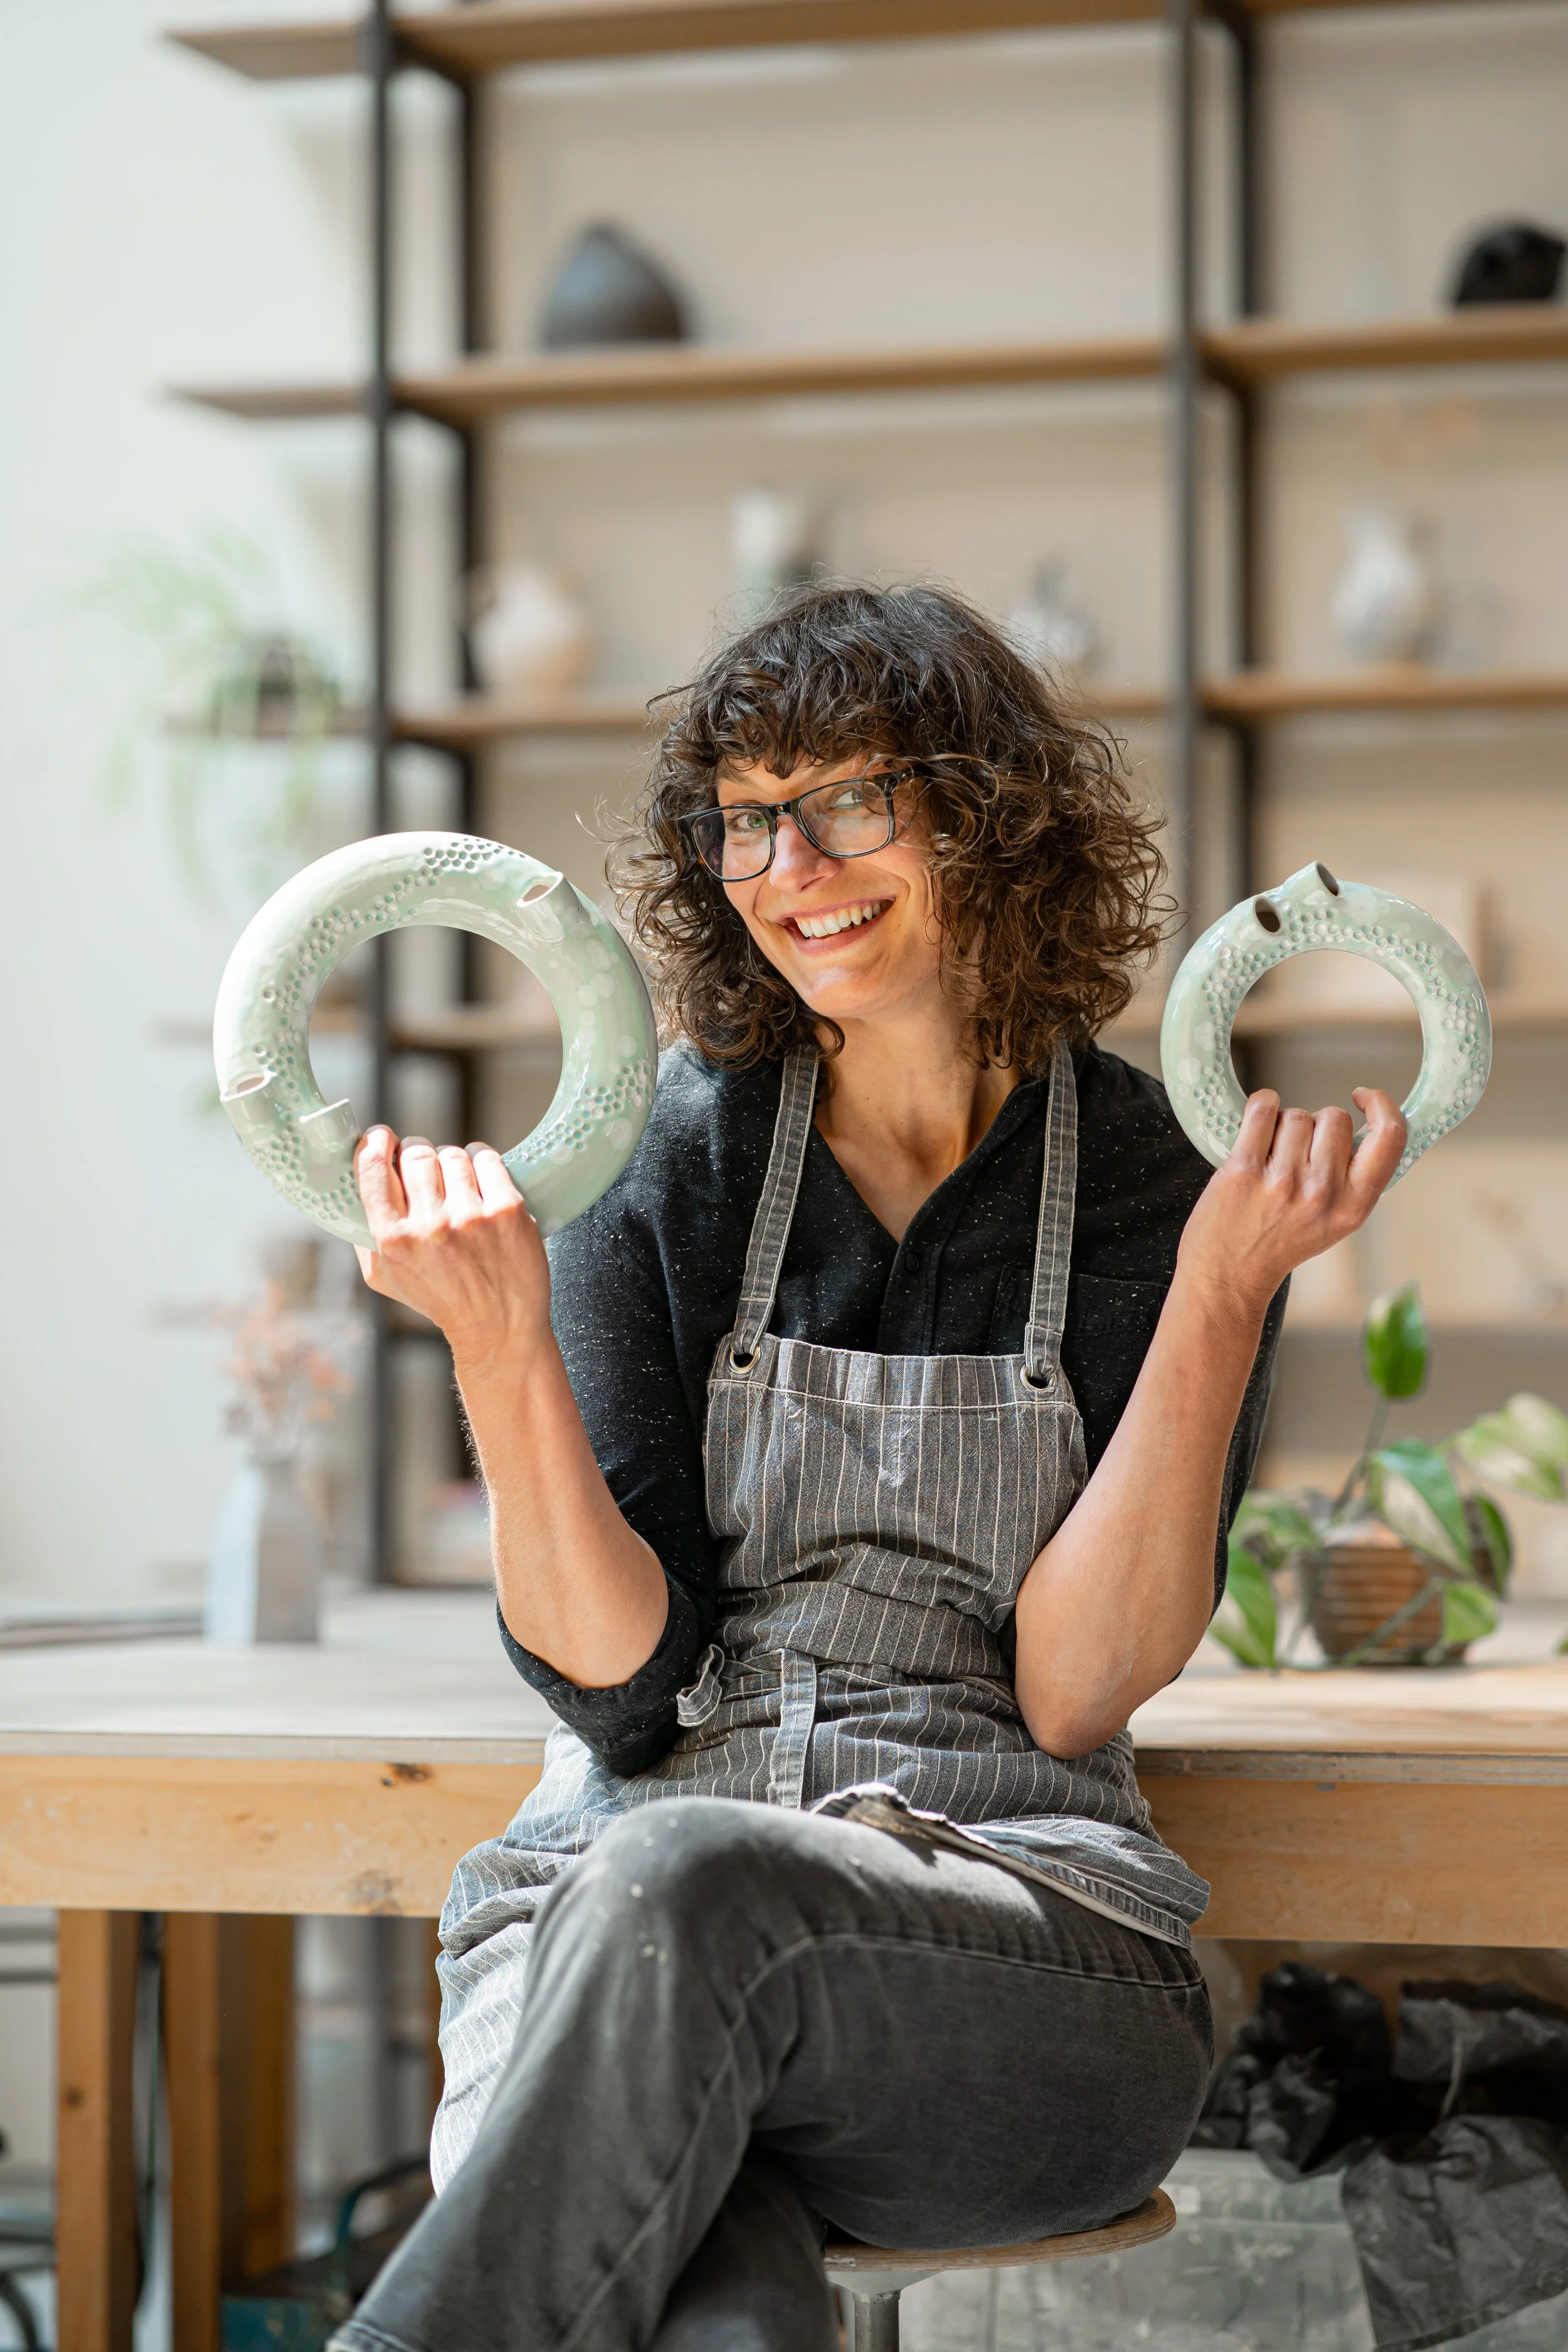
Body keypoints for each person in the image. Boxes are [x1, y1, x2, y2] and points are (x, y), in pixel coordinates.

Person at [332, 584, 1404, 2352]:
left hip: (1015, 1948)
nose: (788, 861)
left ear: (987, 812)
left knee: (689, 1882)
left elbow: (1067, 1691)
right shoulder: (661, 1149)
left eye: (845, 797)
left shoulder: (1155, 1176)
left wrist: (1225, 1282)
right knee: (715, 2275)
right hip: (615, 1926)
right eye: (748, 815)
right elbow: (616, 1690)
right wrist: (496, 1341)